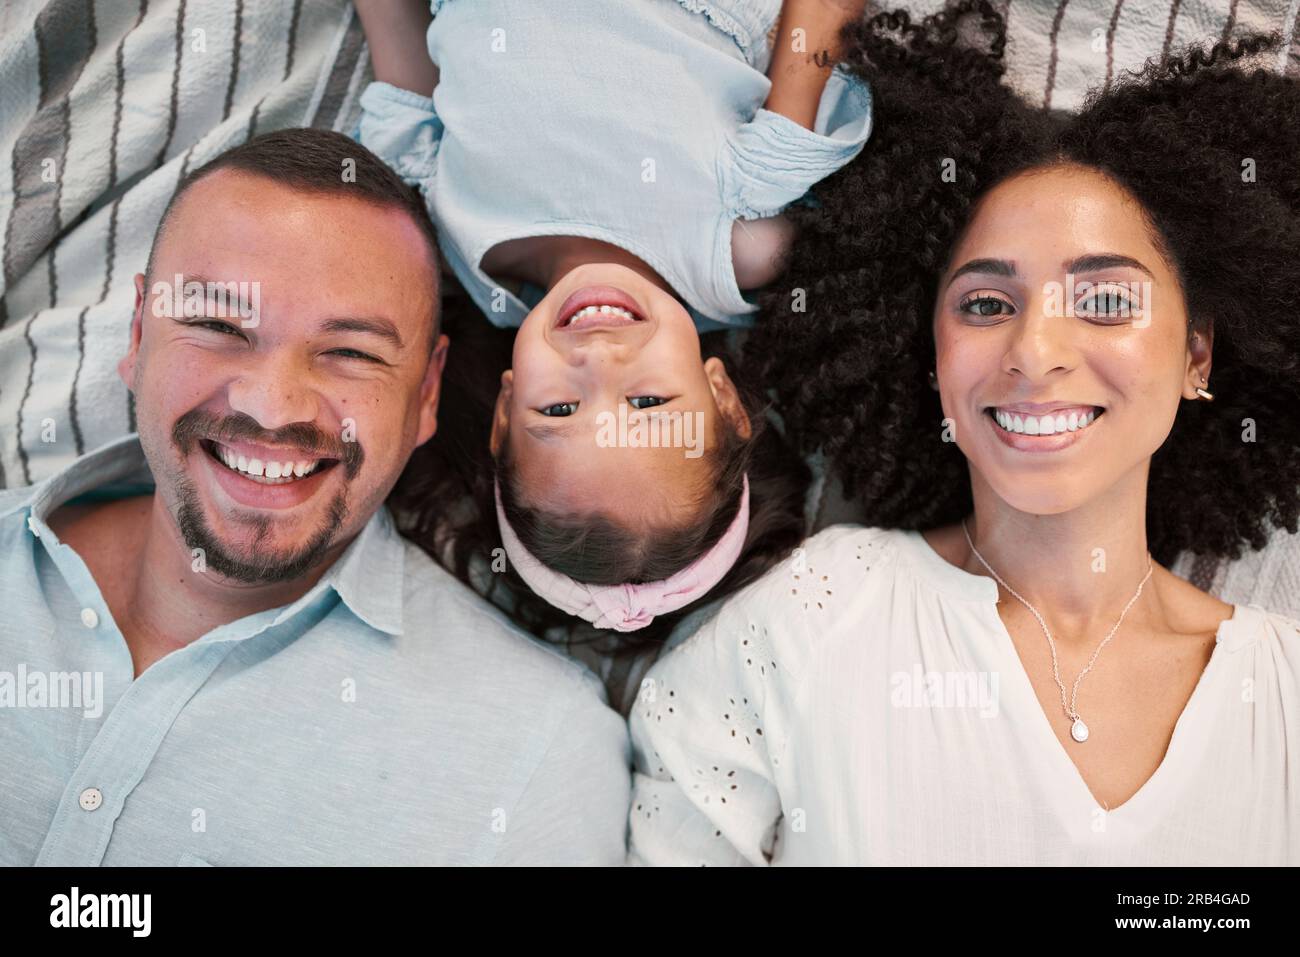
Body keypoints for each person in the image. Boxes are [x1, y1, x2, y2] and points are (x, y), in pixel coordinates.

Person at [627, 5, 1300, 865]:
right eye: (986, 304)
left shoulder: (1282, 696)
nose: (1036, 351)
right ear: (934, 358)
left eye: (1104, 300)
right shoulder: (812, 621)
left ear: (1195, 355)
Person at [0, 128, 629, 866]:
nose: (271, 407)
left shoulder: (539, 755)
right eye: (217, 325)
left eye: (351, 352)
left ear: (426, 392)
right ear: (139, 333)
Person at [353, 0, 871, 635]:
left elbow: (400, 55)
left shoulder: (453, 242)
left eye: (560, 411)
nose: (598, 359)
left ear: (504, 413)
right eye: (650, 401)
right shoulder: (744, 239)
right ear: (724, 399)